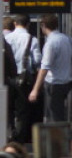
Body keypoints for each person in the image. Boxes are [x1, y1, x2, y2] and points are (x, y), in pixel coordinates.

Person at [29, 14, 72, 122]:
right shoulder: (67, 39)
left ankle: (59, 138)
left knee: (54, 117)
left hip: (54, 83)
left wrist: (35, 89)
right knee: (59, 113)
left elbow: (44, 68)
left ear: (43, 25)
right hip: (66, 81)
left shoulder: (50, 43)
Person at [5, 14, 42, 143]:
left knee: (7, 109)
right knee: (22, 111)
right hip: (24, 79)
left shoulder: (6, 38)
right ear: (28, 24)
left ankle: (8, 135)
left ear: (15, 23)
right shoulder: (32, 39)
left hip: (7, 78)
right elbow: (37, 61)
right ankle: (19, 140)